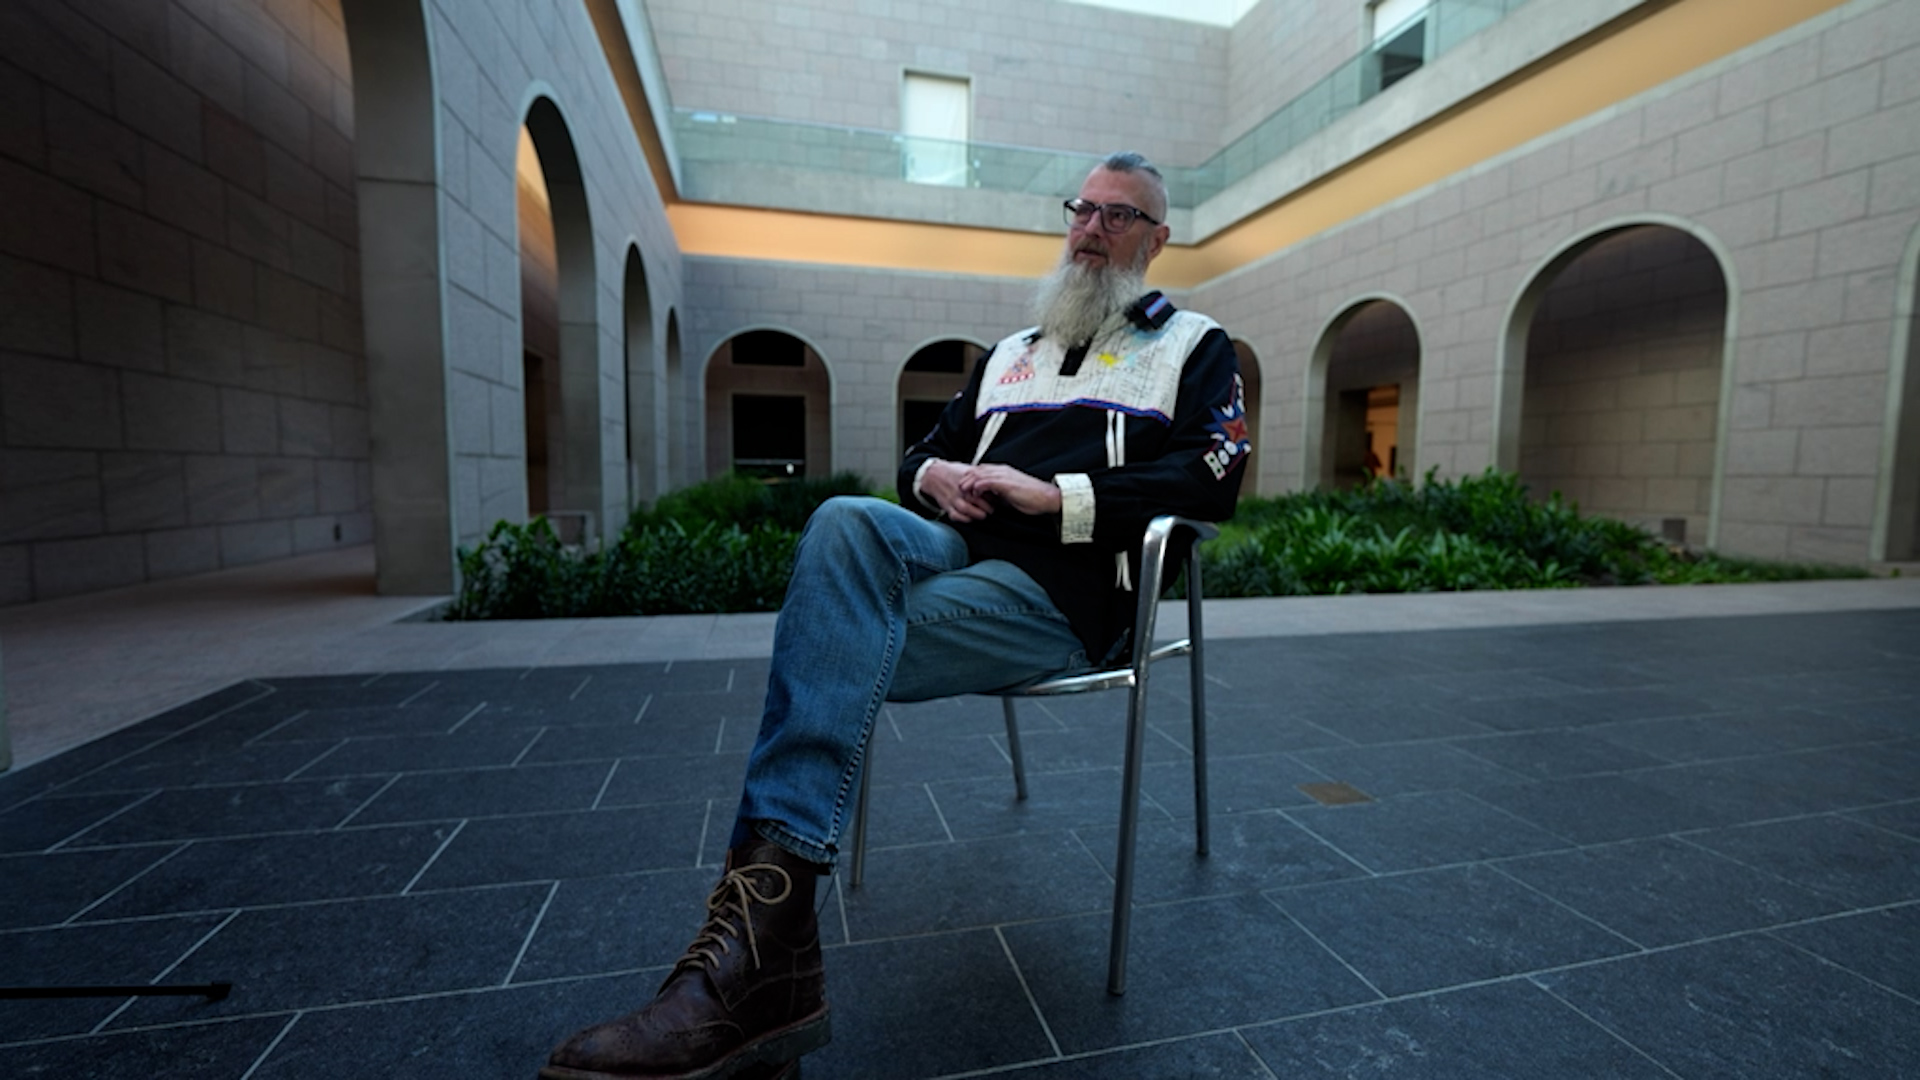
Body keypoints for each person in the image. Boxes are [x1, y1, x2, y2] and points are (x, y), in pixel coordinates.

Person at [539, 151, 1249, 1080]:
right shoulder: (1013, 351)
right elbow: (922, 451)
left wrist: (1055, 496)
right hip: (957, 548)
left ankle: (763, 940)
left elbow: (1212, 478)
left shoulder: (1194, 347)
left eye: (1119, 216)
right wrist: (936, 475)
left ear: (1157, 240)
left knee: (832, 639)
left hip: (1066, 592)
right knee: (843, 520)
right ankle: (770, 946)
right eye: (1082, 209)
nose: (1091, 228)